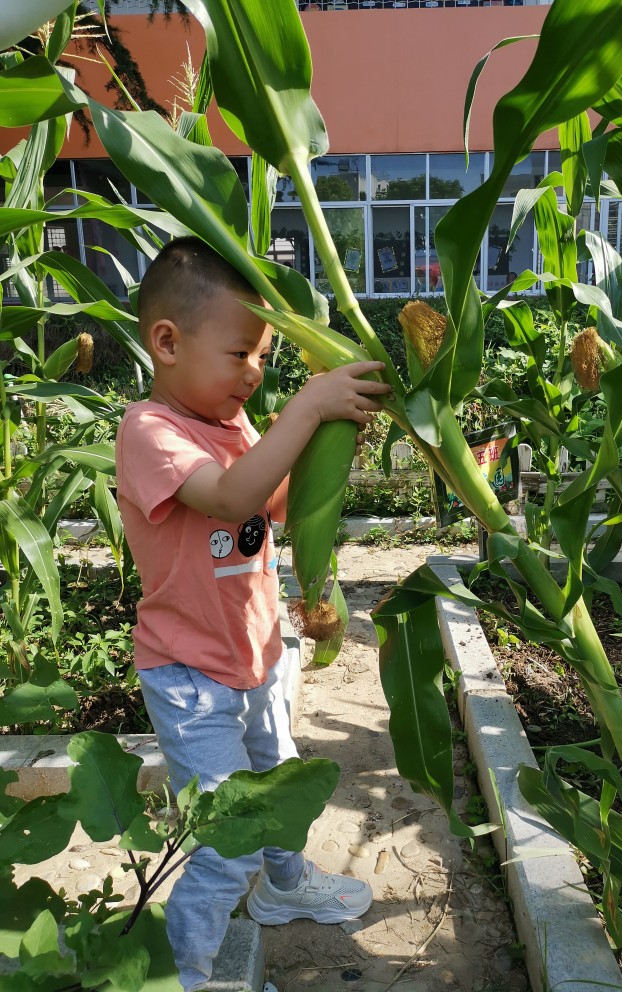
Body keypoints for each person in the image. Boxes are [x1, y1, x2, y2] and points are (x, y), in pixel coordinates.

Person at [116, 236, 391, 992]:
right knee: (224, 843)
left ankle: (285, 886)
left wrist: (328, 437)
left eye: (263, 356)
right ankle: (186, 975)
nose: (256, 372)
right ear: (167, 342)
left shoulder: (234, 428)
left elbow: (273, 506)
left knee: (278, 790)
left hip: (256, 658)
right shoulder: (150, 432)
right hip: (191, 681)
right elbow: (233, 498)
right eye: (241, 353)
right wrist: (307, 407)